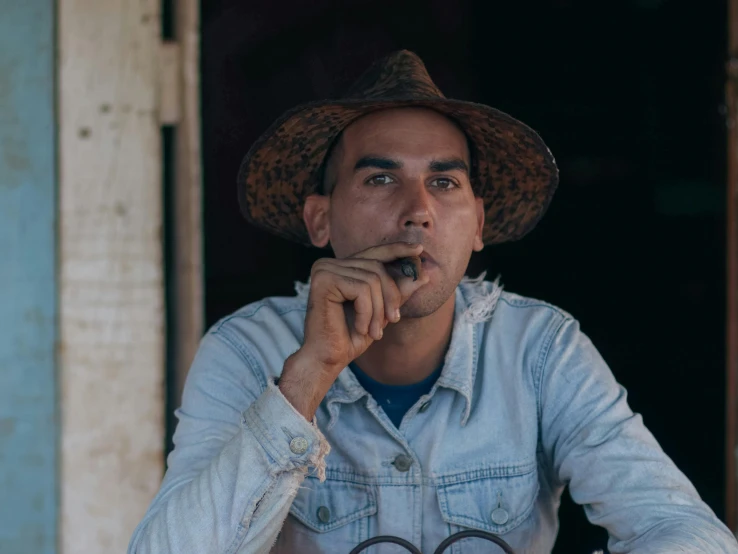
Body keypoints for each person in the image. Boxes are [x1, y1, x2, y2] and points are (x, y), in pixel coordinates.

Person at [128, 51, 738, 553]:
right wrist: (309, 374)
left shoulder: (540, 350)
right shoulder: (246, 350)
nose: (418, 209)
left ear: (476, 226)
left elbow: (680, 528)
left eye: (444, 182)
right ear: (320, 220)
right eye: (380, 178)